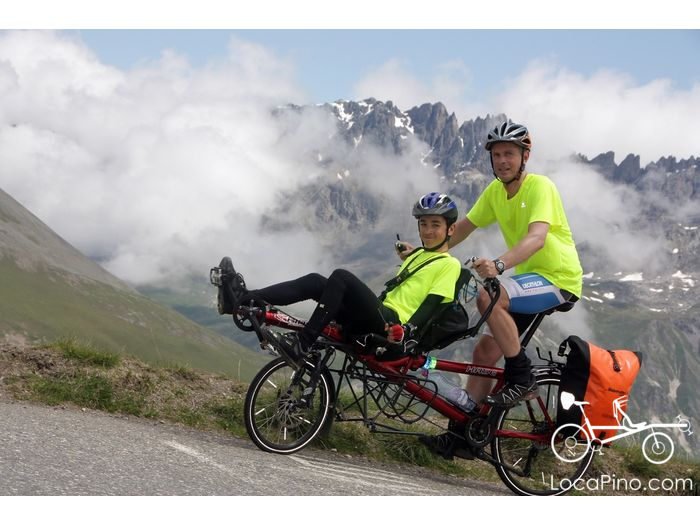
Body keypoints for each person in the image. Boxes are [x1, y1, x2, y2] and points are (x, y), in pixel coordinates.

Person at [403, 122, 583, 460]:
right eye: (497, 155)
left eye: (509, 154)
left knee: (490, 295)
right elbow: (464, 229)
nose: (502, 161)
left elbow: (537, 238)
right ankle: (463, 436)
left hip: (558, 279)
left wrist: (499, 265)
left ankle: (522, 375)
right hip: (530, 281)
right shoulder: (495, 192)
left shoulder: (540, 187)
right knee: (483, 356)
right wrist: (424, 251)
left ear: (524, 156)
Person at [213, 192, 463, 367]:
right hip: (372, 318)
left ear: (450, 229)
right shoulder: (419, 255)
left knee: (341, 277)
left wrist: (406, 332)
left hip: (390, 327)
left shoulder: (450, 265)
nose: (428, 231)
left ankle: (303, 343)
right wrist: (412, 253)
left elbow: (432, 305)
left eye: (435, 225)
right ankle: (239, 300)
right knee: (314, 281)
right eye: (423, 224)